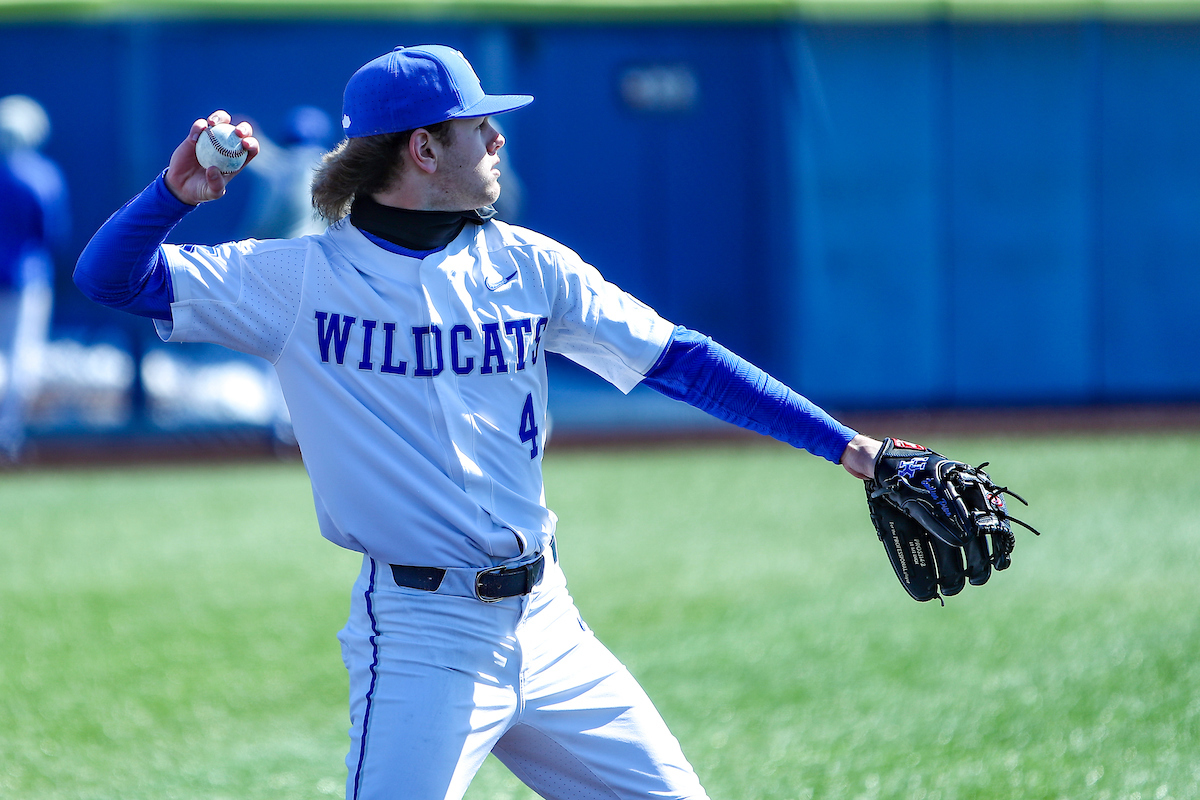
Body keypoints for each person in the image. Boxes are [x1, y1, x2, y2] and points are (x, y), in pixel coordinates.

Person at [74, 45, 882, 800]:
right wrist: (174, 195)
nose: (497, 137)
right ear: (424, 149)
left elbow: (684, 359)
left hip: (550, 622)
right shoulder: (297, 280)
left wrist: (852, 449)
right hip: (426, 635)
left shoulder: (531, 266)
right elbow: (109, 279)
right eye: (478, 126)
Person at [0, 94, 69, 463]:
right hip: (27, 278)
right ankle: (7, 436)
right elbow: (53, 233)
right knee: (21, 358)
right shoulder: (41, 174)